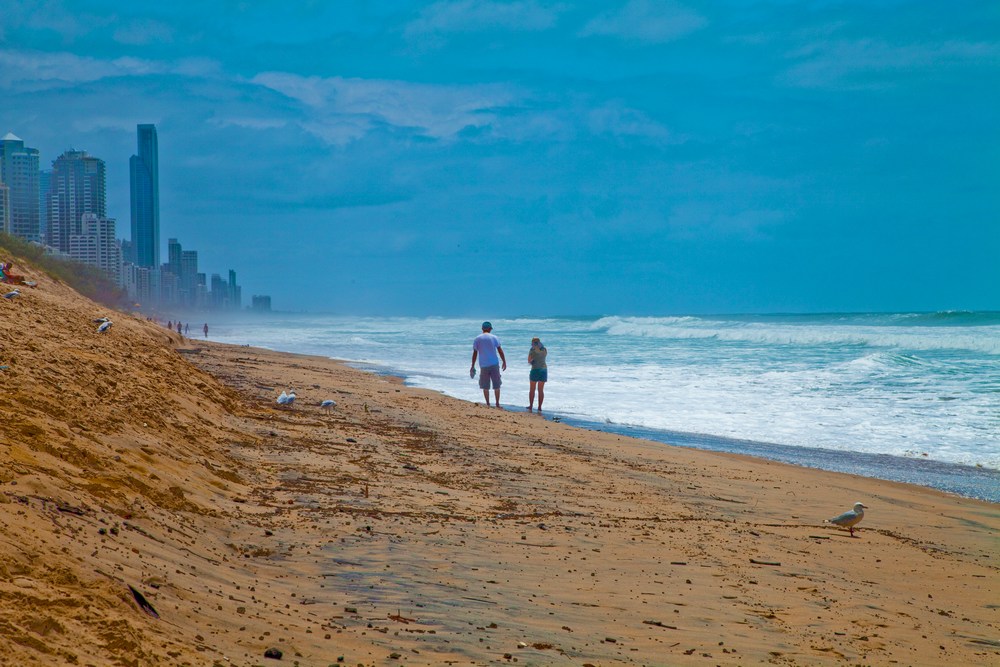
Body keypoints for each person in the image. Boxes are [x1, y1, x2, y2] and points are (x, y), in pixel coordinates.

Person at [471, 321, 507, 408]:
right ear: (490, 329)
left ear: (482, 328)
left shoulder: (477, 338)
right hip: (494, 364)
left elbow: (475, 353)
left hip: (483, 365)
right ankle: (497, 404)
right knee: (497, 385)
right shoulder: (494, 337)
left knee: (485, 386)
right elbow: (500, 350)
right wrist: (504, 361)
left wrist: (472, 365)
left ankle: (487, 404)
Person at [527, 337, 547, 412]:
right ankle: (539, 407)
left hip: (535, 369)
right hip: (543, 370)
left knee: (532, 389)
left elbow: (529, 360)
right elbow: (543, 357)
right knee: (541, 390)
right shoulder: (544, 349)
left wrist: (532, 361)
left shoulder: (532, 350)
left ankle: (531, 406)